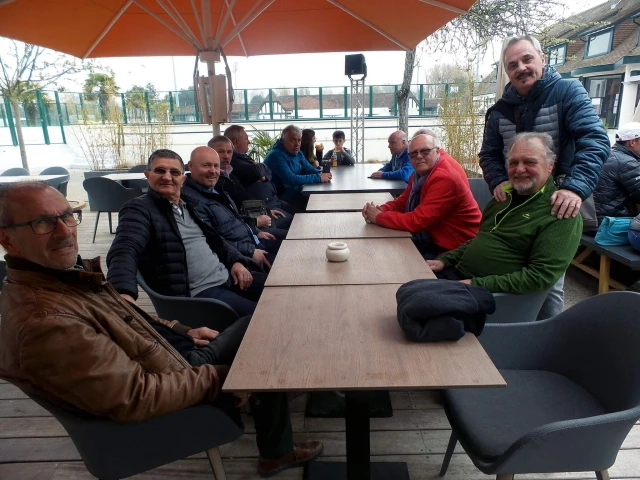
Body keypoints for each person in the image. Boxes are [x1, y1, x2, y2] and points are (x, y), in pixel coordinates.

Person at [0, 182, 323, 478]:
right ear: (7, 239)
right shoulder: (47, 322)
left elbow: (123, 322)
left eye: (67, 216)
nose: (64, 231)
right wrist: (227, 378)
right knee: (265, 328)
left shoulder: (57, 281)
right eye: (41, 222)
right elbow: (136, 396)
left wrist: (182, 329)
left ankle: (277, 429)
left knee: (261, 325)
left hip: (167, 355)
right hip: (172, 378)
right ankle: (277, 450)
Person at [479, 34, 610, 318]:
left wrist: (574, 187)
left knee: (548, 283)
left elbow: (595, 140)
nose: (521, 68)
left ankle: (548, 334)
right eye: (512, 64)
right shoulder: (499, 110)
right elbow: (488, 154)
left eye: (527, 59)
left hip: (556, 203)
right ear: (507, 71)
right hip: (514, 204)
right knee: (509, 267)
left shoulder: (567, 91)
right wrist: (497, 179)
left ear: (542, 58)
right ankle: (508, 328)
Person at [428, 133, 582, 308]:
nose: (519, 169)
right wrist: (445, 260)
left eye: (530, 162)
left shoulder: (560, 211)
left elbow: (540, 277)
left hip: (492, 297)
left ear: (550, 165)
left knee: (414, 304)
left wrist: (475, 284)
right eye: (513, 163)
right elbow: (482, 239)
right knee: (407, 281)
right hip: (459, 276)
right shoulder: (504, 197)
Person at [106, 149, 265, 318]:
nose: (167, 177)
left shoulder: (189, 205)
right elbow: (125, 248)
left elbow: (216, 240)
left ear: (182, 179)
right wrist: (123, 292)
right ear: (147, 175)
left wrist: (235, 261)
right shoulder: (139, 209)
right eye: (160, 170)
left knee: (279, 290)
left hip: (228, 276)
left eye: (174, 172)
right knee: (266, 316)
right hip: (200, 294)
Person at [362, 133, 481, 258]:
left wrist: (379, 217)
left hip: (458, 250)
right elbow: (402, 202)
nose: (419, 156)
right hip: (434, 240)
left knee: (390, 257)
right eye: (413, 154)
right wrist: (381, 209)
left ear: (437, 152)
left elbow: (417, 221)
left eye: (425, 151)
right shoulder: (420, 174)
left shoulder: (444, 178)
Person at [181, 146, 281, 268]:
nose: (213, 171)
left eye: (216, 166)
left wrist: (255, 231)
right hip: (243, 254)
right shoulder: (192, 200)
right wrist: (250, 251)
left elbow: (234, 218)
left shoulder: (217, 187)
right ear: (190, 166)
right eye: (206, 165)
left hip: (252, 240)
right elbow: (213, 240)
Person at [209, 135, 293, 232]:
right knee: (292, 231)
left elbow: (244, 198)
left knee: (296, 223)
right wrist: (256, 222)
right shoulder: (213, 182)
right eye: (221, 152)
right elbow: (229, 218)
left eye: (229, 152)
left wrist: (264, 210)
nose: (226, 156)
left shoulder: (229, 174)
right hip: (247, 228)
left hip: (254, 218)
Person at [223, 125, 301, 222]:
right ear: (236, 142)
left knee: (304, 215)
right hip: (265, 208)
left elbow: (268, 172)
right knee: (299, 221)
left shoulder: (243, 157)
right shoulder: (234, 161)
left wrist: (263, 175)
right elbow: (256, 172)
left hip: (275, 202)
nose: (249, 142)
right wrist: (260, 170)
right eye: (246, 139)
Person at [263, 125, 332, 208]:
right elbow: (291, 179)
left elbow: (308, 168)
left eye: (299, 140)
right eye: (292, 140)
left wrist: (322, 173)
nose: (297, 144)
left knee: (325, 201)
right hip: (280, 199)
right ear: (283, 140)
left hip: (295, 192)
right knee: (319, 204)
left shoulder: (298, 152)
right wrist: (319, 177)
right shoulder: (276, 155)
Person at [594, 122, 640, 223]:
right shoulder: (627, 163)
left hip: (594, 217)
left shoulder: (608, 154)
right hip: (610, 221)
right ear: (632, 142)